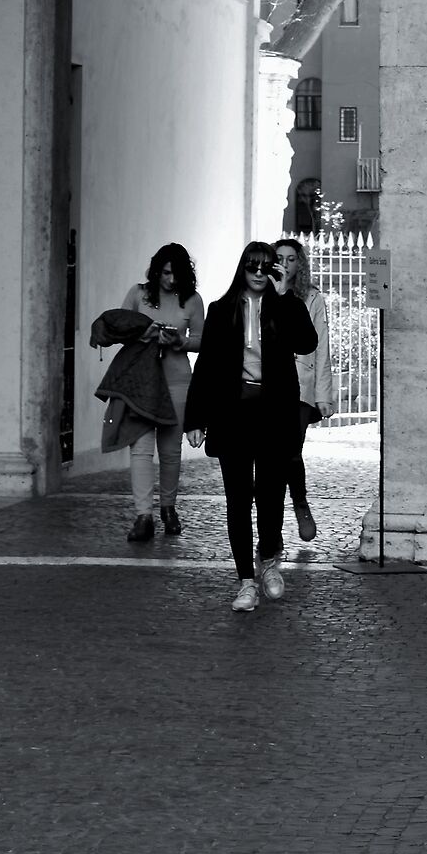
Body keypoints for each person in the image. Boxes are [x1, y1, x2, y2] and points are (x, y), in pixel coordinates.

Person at [185, 240, 317, 612]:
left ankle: (270, 562)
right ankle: (246, 580)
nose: (259, 272)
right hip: (233, 415)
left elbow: (308, 343)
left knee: (272, 494)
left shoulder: (283, 308)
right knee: (238, 498)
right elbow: (207, 367)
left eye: (267, 266)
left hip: (273, 414)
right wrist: (195, 418)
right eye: (252, 266)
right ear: (242, 268)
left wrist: (285, 297)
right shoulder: (221, 310)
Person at [119, 244, 204, 543]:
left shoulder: (192, 300)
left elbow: (202, 340)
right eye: (166, 273)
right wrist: (144, 334)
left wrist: (179, 340)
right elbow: (122, 327)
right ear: (156, 271)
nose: (171, 280)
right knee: (140, 449)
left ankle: (168, 508)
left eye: (177, 274)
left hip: (178, 381)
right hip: (141, 381)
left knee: (170, 451)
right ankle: (143, 516)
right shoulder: (137, 294)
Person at [273, 238, 334, 543]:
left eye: (291, 259)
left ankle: (300, 504)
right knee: (269, 455)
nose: (285, 264)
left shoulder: (312, 299)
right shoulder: (261, 294)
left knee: (290, 453)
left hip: (300, 388)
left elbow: (321, 346)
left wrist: (323, 396)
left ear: (300, 264)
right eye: (279, 258)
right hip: (267, 386)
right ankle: (273, 527)